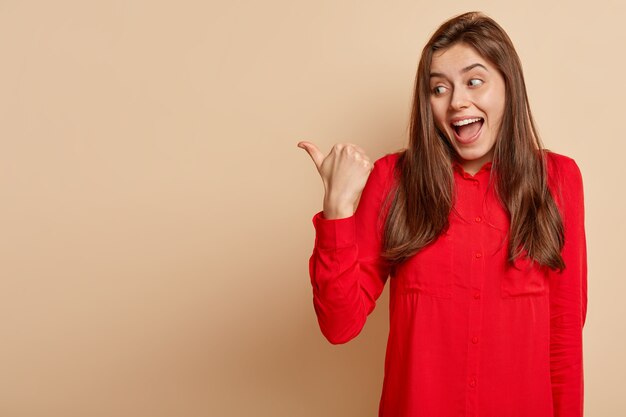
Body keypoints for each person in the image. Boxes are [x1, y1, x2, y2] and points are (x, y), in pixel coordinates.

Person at [297, 11, 587, 417]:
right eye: (438, 88)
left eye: (474, 81)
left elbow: (564, 338)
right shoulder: (392, 180)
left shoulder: (558, 180)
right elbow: (339, 325)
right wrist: (338, 208)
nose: (457, 101)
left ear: (508, 86)